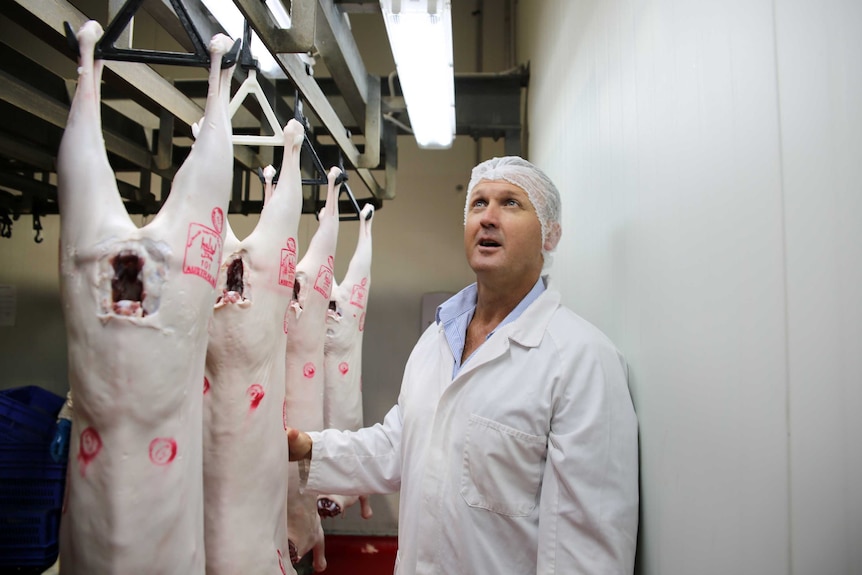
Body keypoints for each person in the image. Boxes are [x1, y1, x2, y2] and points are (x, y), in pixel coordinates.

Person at [287, 156, 639, 574]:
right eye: (478, 203)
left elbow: (587, 549)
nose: (488, 217)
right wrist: (308, 446)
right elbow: (401, 445)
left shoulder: (582, 361)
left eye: (510, 203)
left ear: (551, 235)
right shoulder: (437, 339)